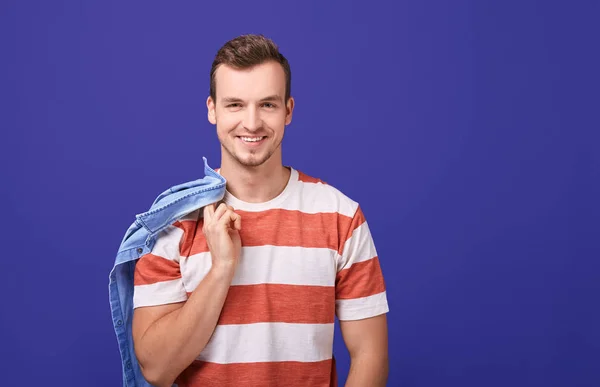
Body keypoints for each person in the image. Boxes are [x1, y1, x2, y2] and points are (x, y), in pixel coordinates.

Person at [130, 34, 389, 387]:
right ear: (212, 109)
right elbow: (156, 370)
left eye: (267, 105)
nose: (251, 123)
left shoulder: (341, 217)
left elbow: (369, 355)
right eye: (235, 104)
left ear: (288, 110)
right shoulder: (171, 223)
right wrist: (221, 269)